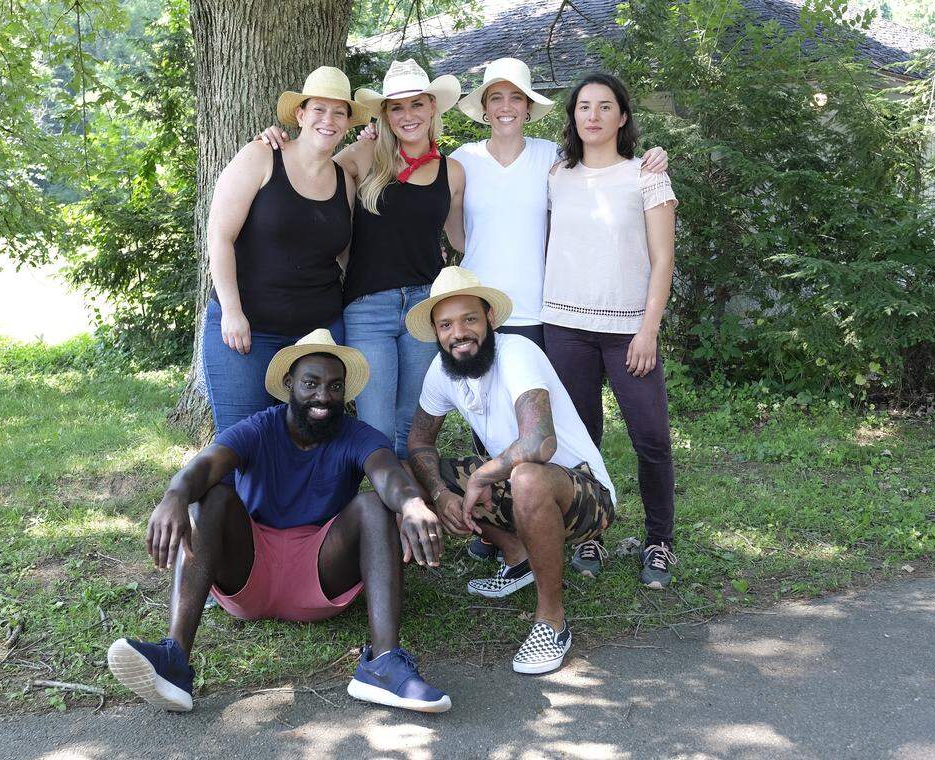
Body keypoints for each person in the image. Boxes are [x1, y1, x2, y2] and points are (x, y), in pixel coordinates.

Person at [108, 330, 451, 713]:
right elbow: (207, 465)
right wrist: (175, 495)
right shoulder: (259, 428)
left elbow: (387, 474)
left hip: (321, 572)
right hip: (250, 569)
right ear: (289, 384)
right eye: (311, 383)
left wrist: (412, 504)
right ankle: (173, 659)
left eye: (335, 386)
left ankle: (383, 663)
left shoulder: (358, 436)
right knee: (210, 498)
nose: (324, 396)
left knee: (374, 507)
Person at [450, 58, 666, 563]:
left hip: (545, 312)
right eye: (496, 98)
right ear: (482, 109)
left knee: (564, 429)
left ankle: (640, 538)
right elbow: (454, 227)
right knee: (494, 422)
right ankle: (500, 528)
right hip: (494, 312)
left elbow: (644, 237)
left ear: (529, 107)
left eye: (516, 98)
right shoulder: (468, 159)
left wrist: (653, 157)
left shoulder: (551, 159)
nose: (506, 107)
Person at [404, 267, 617, 675]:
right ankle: (517, 557)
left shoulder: (517, 351)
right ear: (436, 332)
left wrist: (482, 476)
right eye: (446, 325)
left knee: (527, 475)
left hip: (583, 494)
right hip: (516, 490)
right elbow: (418, 442)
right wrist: (443, 493)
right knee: (407, 471)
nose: (458, 333)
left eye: (469, 319)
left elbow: (540, 443)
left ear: (491, 319)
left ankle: (552, 620)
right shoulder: (441, 370)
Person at [258, 59, 465, 460]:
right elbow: (306, 173)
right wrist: (274, 142)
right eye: (397, 107)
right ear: (384, 114)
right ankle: (382, 505)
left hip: (426, 305)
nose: (408, 115)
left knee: (413, 417)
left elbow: (461, 238)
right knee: (376, 422)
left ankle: (410, 504)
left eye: (417, 104)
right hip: (369, 306)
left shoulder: (453, 172)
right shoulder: (363, 157)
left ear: (432, 108)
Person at [542, 74, 679, 589]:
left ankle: (659, 541)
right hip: (565, 326)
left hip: (628, 331)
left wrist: (648, 330)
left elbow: (663, 260)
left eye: (605, 106)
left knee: (652, 437)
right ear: (573, 117)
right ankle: (589, 532)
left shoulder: (646, 176)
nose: (592, 116)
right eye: (583, 107)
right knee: (582, 440)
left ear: (623, 117)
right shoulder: (557, 175)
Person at [201, 66, 368, 438]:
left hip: (318, 332)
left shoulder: (344, 180)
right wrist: (231, 311)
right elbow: (219, 236)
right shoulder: (261, 157)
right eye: (319, 110)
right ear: (301, 114)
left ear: (347, 123)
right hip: (248, 329)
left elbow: (344, 254)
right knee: (240, 439)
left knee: (307, 436)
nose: (329, 120)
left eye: (339, 112)